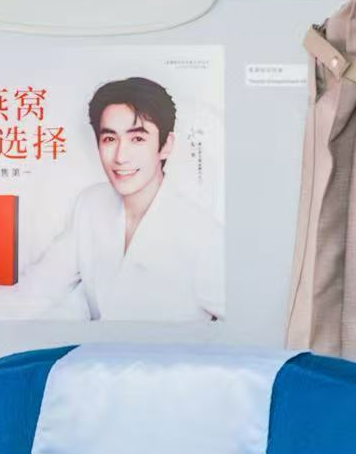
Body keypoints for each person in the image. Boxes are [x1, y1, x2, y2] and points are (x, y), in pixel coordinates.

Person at [17, 77, 224, 321]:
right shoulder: (91, 204)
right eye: (110, 139)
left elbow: (244, 326)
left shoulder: (203, 235)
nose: (120, 156)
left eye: (137, 139)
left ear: (165, 145)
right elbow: (36, 290)